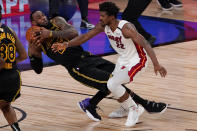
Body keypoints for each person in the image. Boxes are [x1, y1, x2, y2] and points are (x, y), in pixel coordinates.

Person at [28, 10, 167, 126]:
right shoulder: (37, 43)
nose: (43, 17)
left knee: (119, 77)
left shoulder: (56, 21)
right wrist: (32, 53)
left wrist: (51, 34)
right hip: (77, 67)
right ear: (33, 24)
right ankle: (146, 105)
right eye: (38, 18)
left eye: (42, 15)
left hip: (87, 57)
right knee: (111, 83)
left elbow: (73, 32)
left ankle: (95, 104)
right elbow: (38, 69)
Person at [0, 5, 28, 131]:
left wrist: (4, 64)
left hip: (1, 77)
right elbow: (23, 55)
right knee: (5, 106)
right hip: (14, 77)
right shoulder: (9, 30)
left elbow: (0, 63)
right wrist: (10, 63)